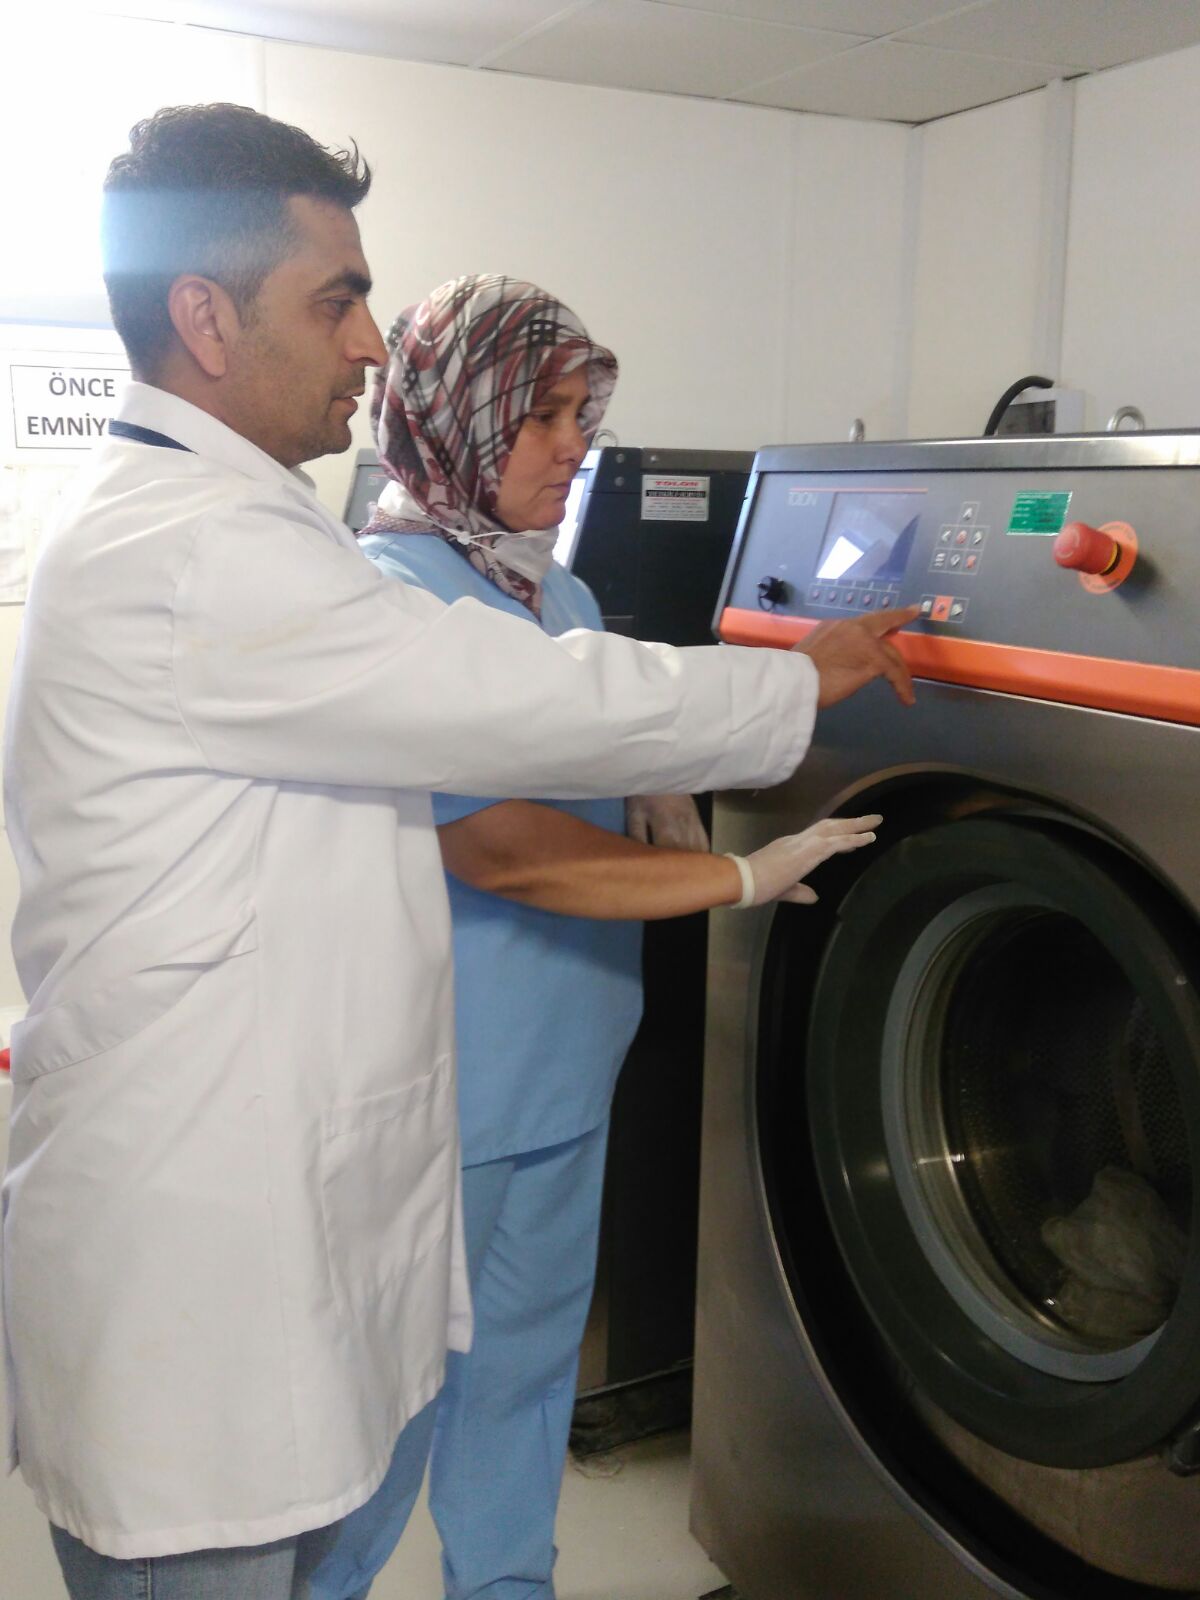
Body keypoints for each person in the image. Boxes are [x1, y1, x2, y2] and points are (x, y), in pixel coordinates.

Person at [0, 103, 917, 1600]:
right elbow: (514, 712)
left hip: (285, 1192)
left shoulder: (236, 530)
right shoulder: (204, 551)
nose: (370, 344)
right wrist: (790, 694)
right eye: (337, 300)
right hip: (201, 1259)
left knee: (438, 1414)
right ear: (206, 319)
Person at [354, 273, 884, 1600]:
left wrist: (657, 781)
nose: (573, 446)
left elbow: (607, 725)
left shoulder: (567, 596)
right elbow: (504, 849)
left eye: (582, 416)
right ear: (457, 422)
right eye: (540, 418)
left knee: (527, 1380)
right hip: (448, 1090)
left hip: (569, 1064)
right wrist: (736, 876)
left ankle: (506, 1587)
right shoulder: (391, 596)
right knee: (386, 1412)